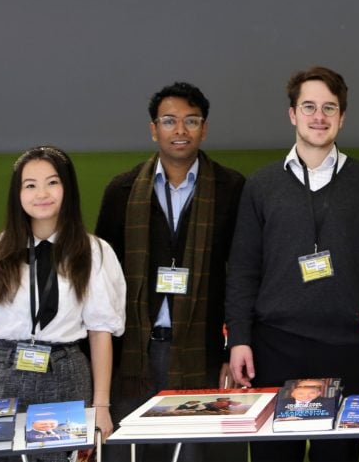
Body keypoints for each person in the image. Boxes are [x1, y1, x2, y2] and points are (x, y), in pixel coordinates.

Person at [226, 66, 359, 462]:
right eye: (309, 107)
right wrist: (238, 337)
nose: (319, 116)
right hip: (273, 348)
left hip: (343, 349)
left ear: (342, 117)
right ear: (292, 114)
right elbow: (242, 269)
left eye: (329, 107)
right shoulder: (262, 185)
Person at [94, 81, 246, 459]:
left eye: (191, 121)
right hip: (134, 356)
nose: (180, 130)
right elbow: (101, 285)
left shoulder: (232, 189)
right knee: (132, 454)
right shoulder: (122, 191)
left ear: (204, 128)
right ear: (153, 128)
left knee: (195, 453)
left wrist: (232, 347)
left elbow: (242, 276)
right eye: (169, 121)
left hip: (203, 353)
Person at [0, 145, 126, 452]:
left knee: (61, 458)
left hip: (66, 373)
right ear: (18, 194)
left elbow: (100, 331)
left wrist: (101, 406)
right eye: (30, 185)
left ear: (68, 188)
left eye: (52, 182)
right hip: (1, 373)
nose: (42, 193)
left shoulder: (93, 252)